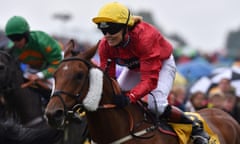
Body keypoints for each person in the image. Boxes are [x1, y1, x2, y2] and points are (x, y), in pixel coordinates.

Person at [92, 2, 209, 144]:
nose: (108, 35)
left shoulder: (145, 38)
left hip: (162, 65)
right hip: (134, 68)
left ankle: (194, 127)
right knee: (115, 95)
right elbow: (108, 78)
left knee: (156, 105)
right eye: (103, 30)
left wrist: (130, 98)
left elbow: (149, 80)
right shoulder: (105, 45)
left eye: (112, 29)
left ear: (126, 27)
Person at [4, 16, 63, 99]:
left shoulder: (43, 42)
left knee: (58, 90)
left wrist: (40, 75)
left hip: (57, 63)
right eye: (12, 39)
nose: (16, 42)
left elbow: (57, 64)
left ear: (26, 35)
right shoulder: (11, 49)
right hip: (34, 68)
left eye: (18, 38)